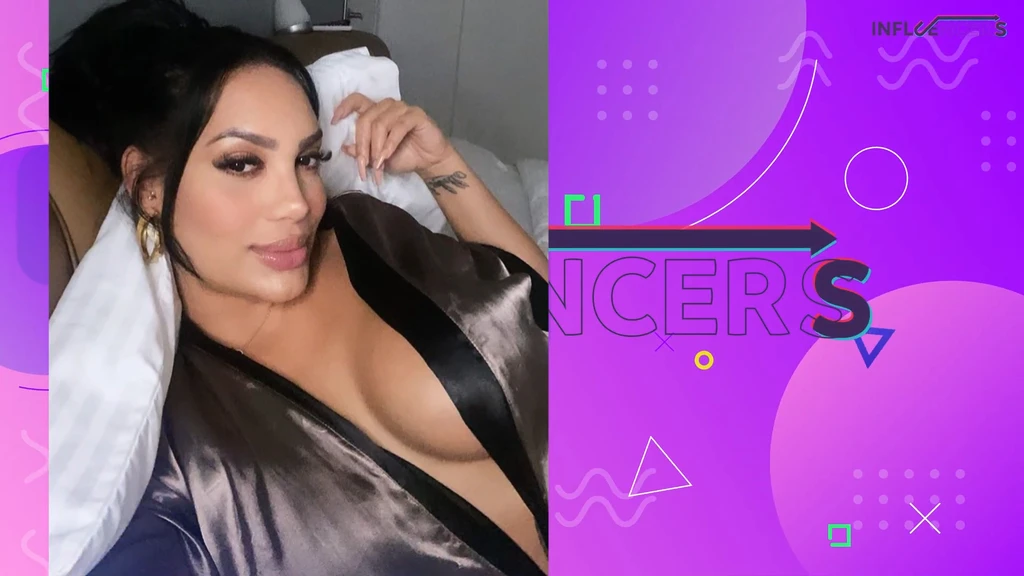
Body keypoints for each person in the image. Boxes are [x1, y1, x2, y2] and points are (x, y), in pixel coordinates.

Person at [50, 1, 549, 574]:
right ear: (148, 189)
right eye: (242, 163)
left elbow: (542, 312)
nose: (297, 203)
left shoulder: (364, 231)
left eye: (307, 159)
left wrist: (441, 166)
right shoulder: (176, 440)